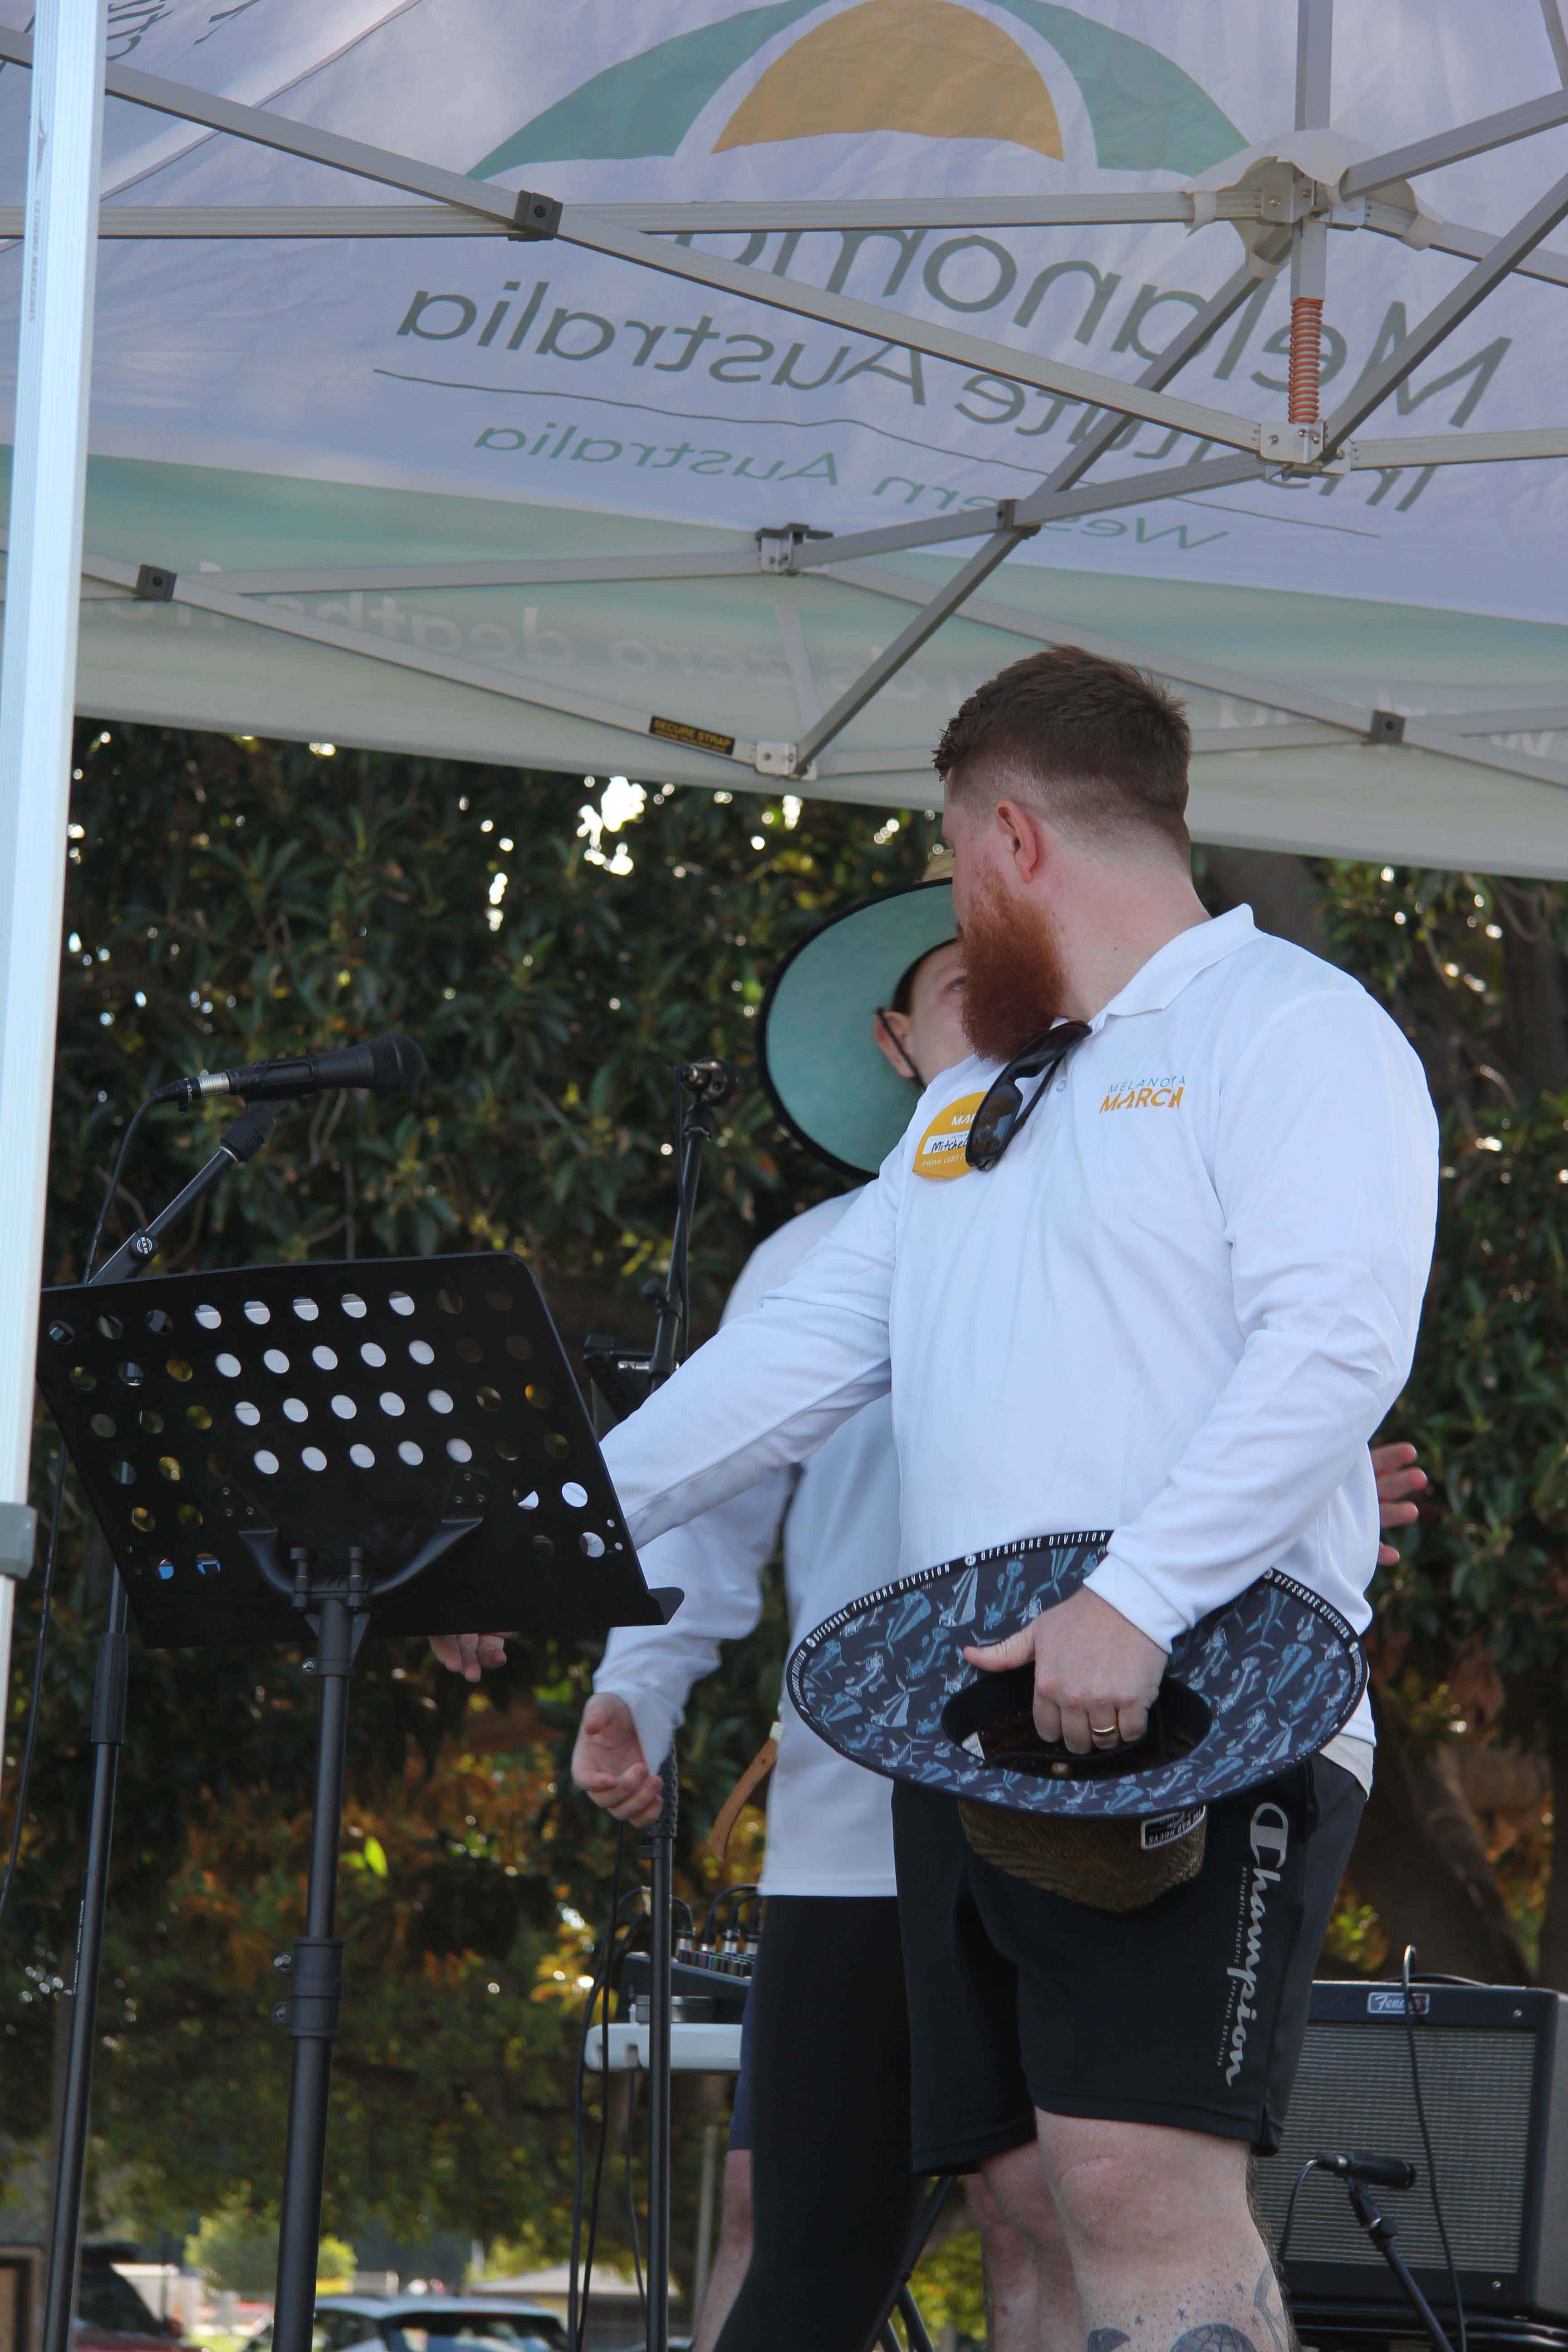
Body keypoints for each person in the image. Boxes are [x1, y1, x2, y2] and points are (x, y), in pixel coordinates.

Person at [441, 648, 1438, 2352]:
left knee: (1133, 2183)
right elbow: (785, 1363)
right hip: (967, 1724)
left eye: (958, 865)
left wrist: (1136, 1598)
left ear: (1011, 840)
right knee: (1026, 2200)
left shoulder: (1293, 1026)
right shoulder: (970, 1107)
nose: (963, 909)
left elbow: (1335, 1346)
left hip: (1207, 1700)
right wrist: (535, 1529)